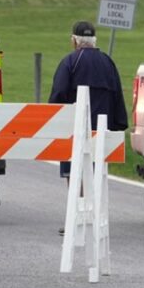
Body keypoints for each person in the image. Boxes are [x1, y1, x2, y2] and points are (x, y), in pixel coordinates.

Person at [49, 21, 128, 234]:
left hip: (75, 128)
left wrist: (52, 122)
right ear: (94, 40)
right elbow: (118, 96)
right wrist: (118, 125)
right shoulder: (108, 62)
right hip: (102, 129)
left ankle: (78, 217)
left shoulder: (70, 62)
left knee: (74, 174)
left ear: (74, 40)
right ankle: (93, 216)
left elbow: (58, 95)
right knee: (95, 171)